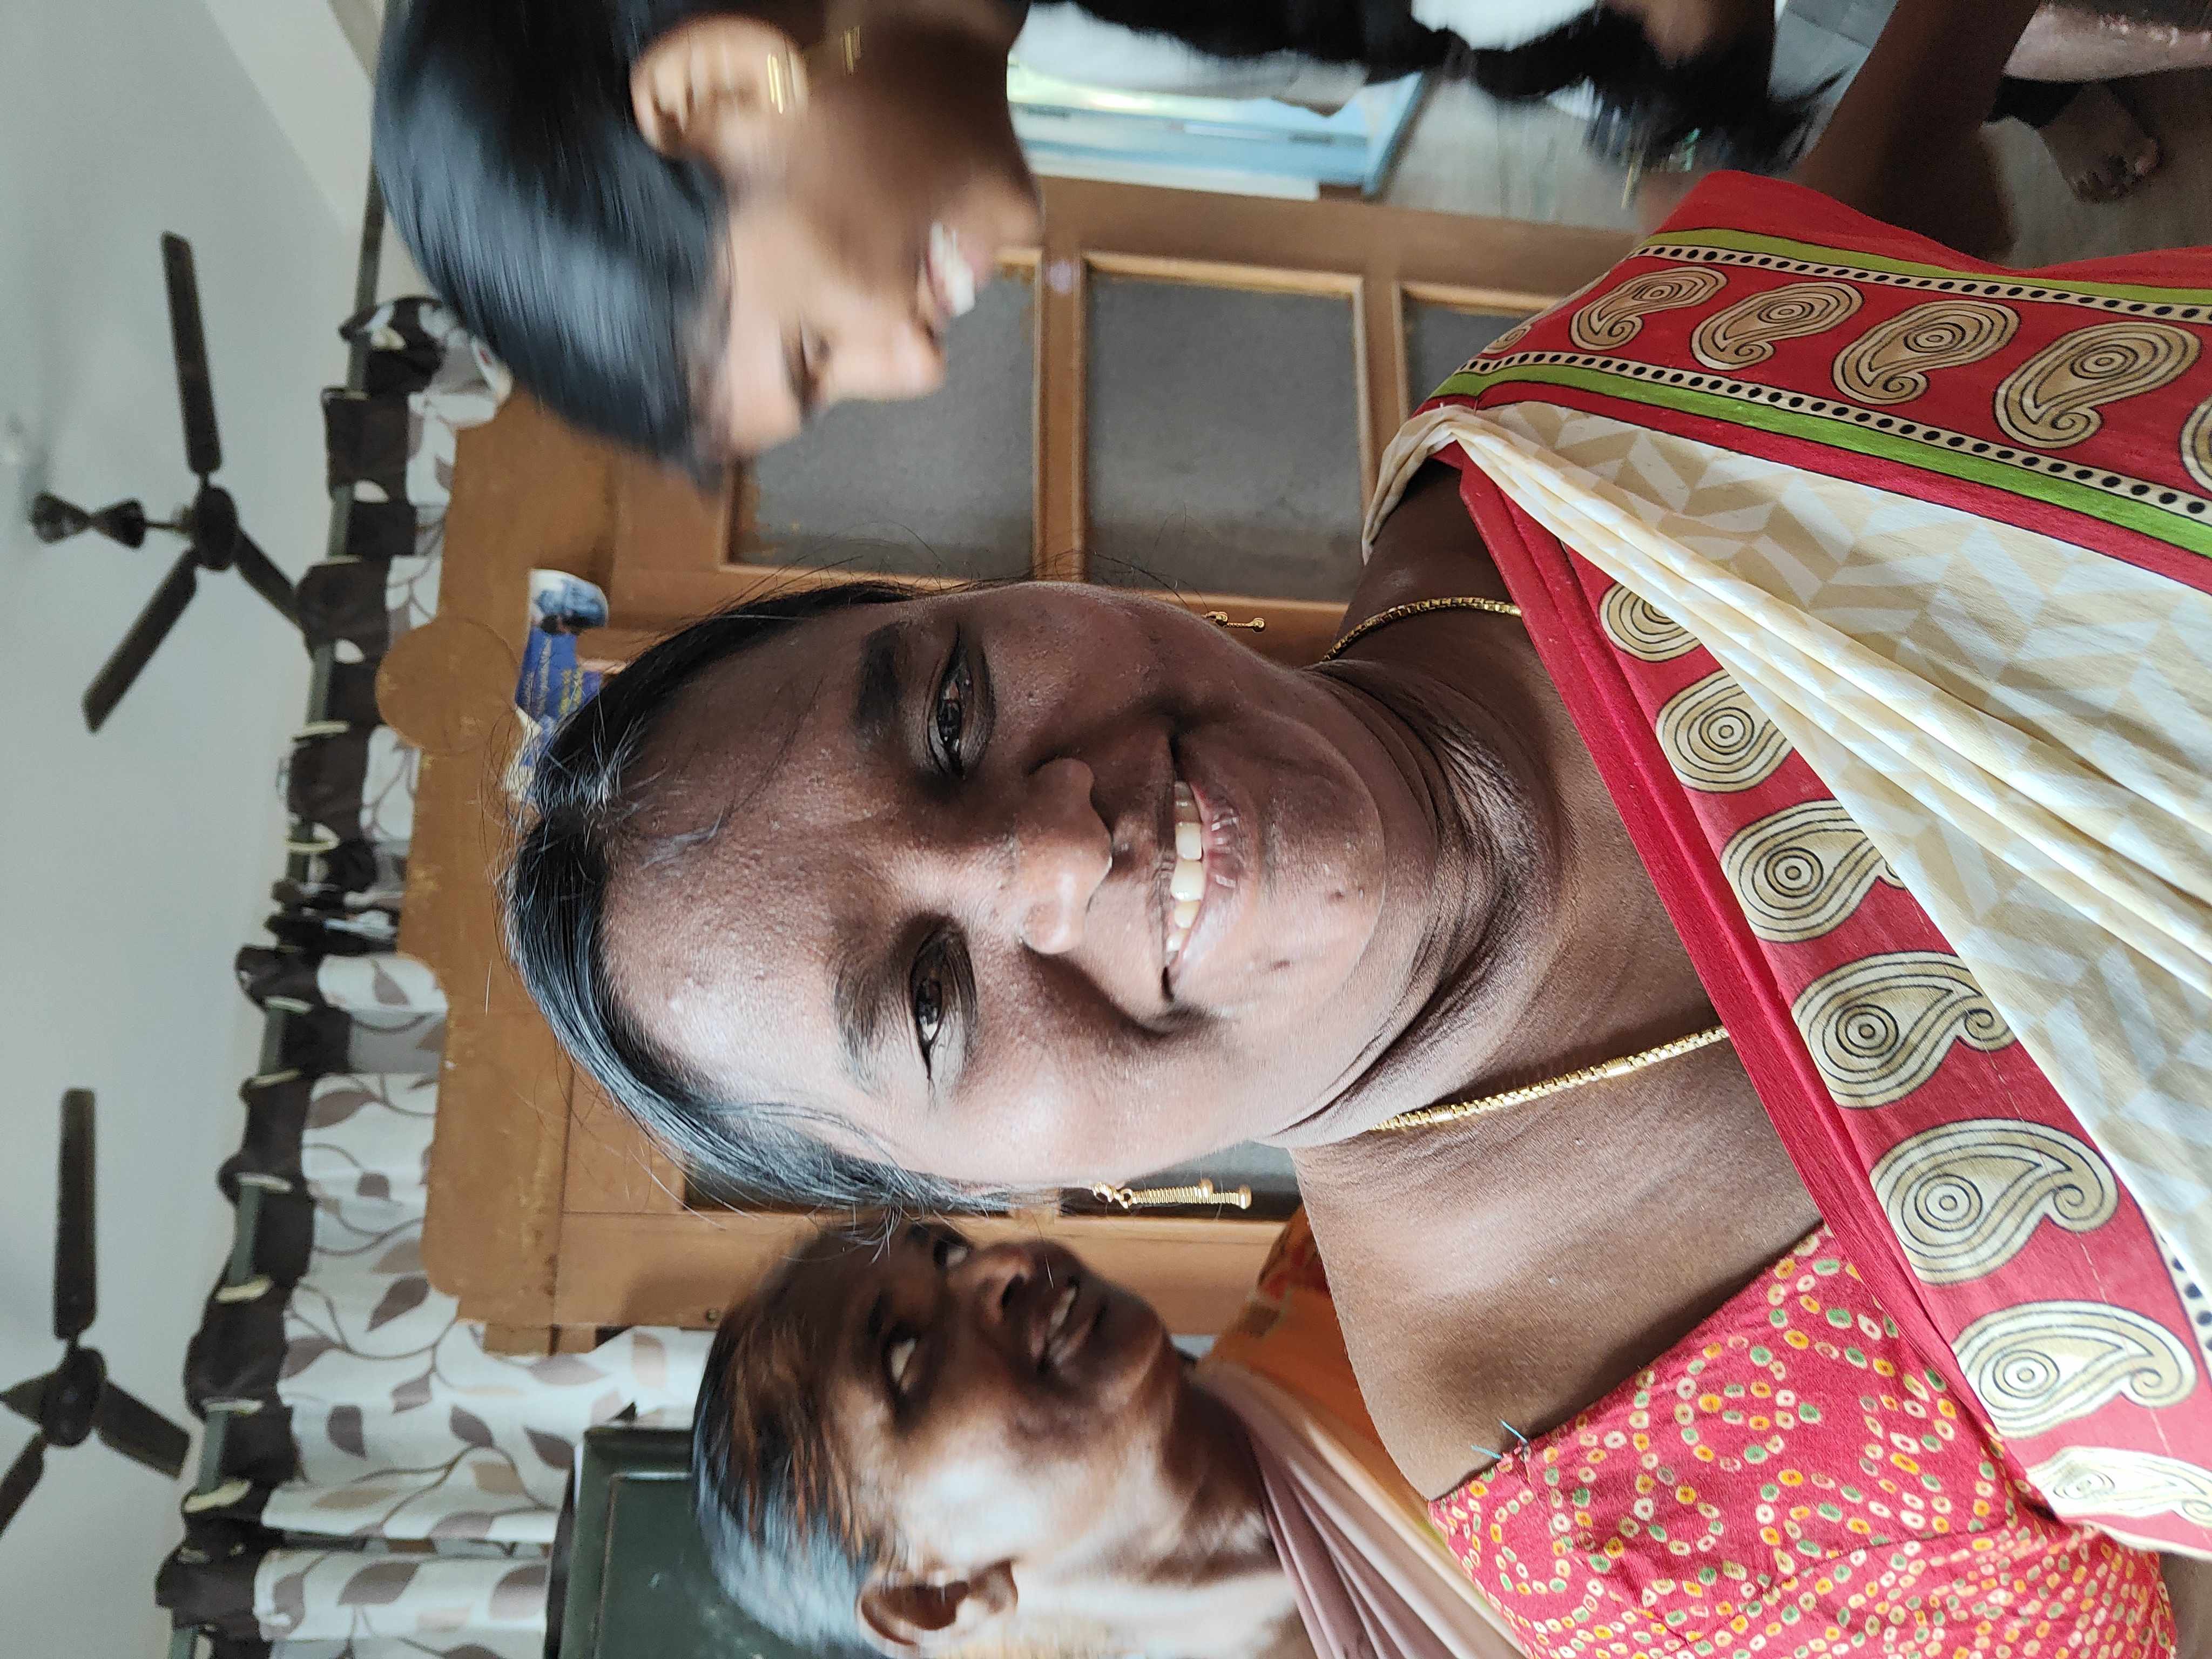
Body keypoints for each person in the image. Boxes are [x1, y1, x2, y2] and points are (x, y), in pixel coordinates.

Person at [504, 0, 2212, 1643]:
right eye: (931, 1001)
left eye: (951, 712)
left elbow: (1856, 273)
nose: (1050, 852)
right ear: (1011, 1178)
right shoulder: (1622, 1486)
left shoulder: (1509, 473)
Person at [372, 0, 1822, 466]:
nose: (917, 368)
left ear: (717, 91)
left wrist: (1704, 132)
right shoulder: (1061, 37)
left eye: (814, 346)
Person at [692, 1215, 1521, 1659]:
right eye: (905, 1353)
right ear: (930, 1599)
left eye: (948, 1250)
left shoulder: (1351, 1263)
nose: (1003, 1266)